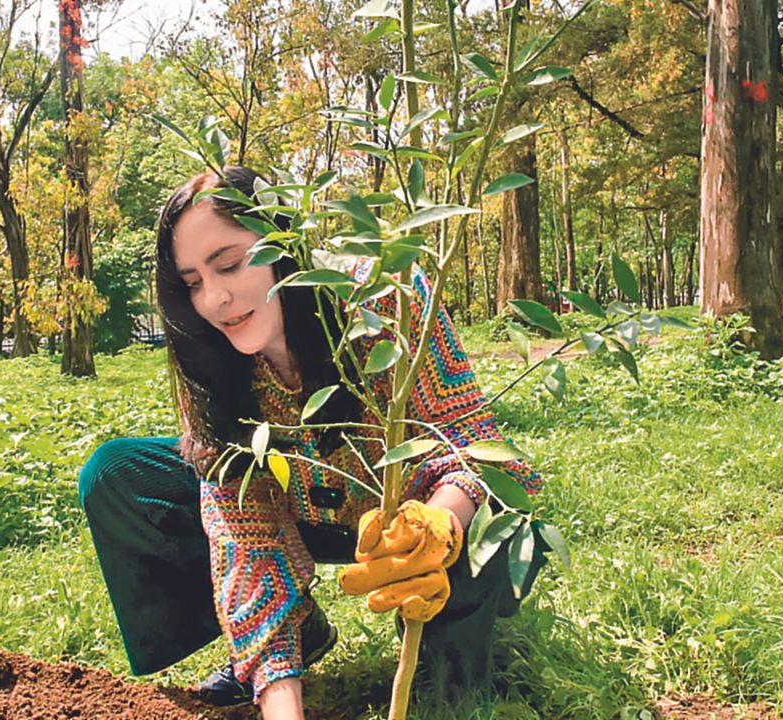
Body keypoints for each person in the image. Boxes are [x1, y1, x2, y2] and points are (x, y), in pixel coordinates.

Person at [79, 166, 548, 720]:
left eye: (229, 263)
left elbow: (475, 442)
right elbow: (242, 535)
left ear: (284, 244)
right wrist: (281, 698)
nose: (216, 298)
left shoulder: (383, 298)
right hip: (299, 509)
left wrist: (437, 526)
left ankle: (450, 651)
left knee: (455, 679)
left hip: (411, 514)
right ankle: (291, 637)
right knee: (116, 471)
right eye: (193, 282)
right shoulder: (209, 361)